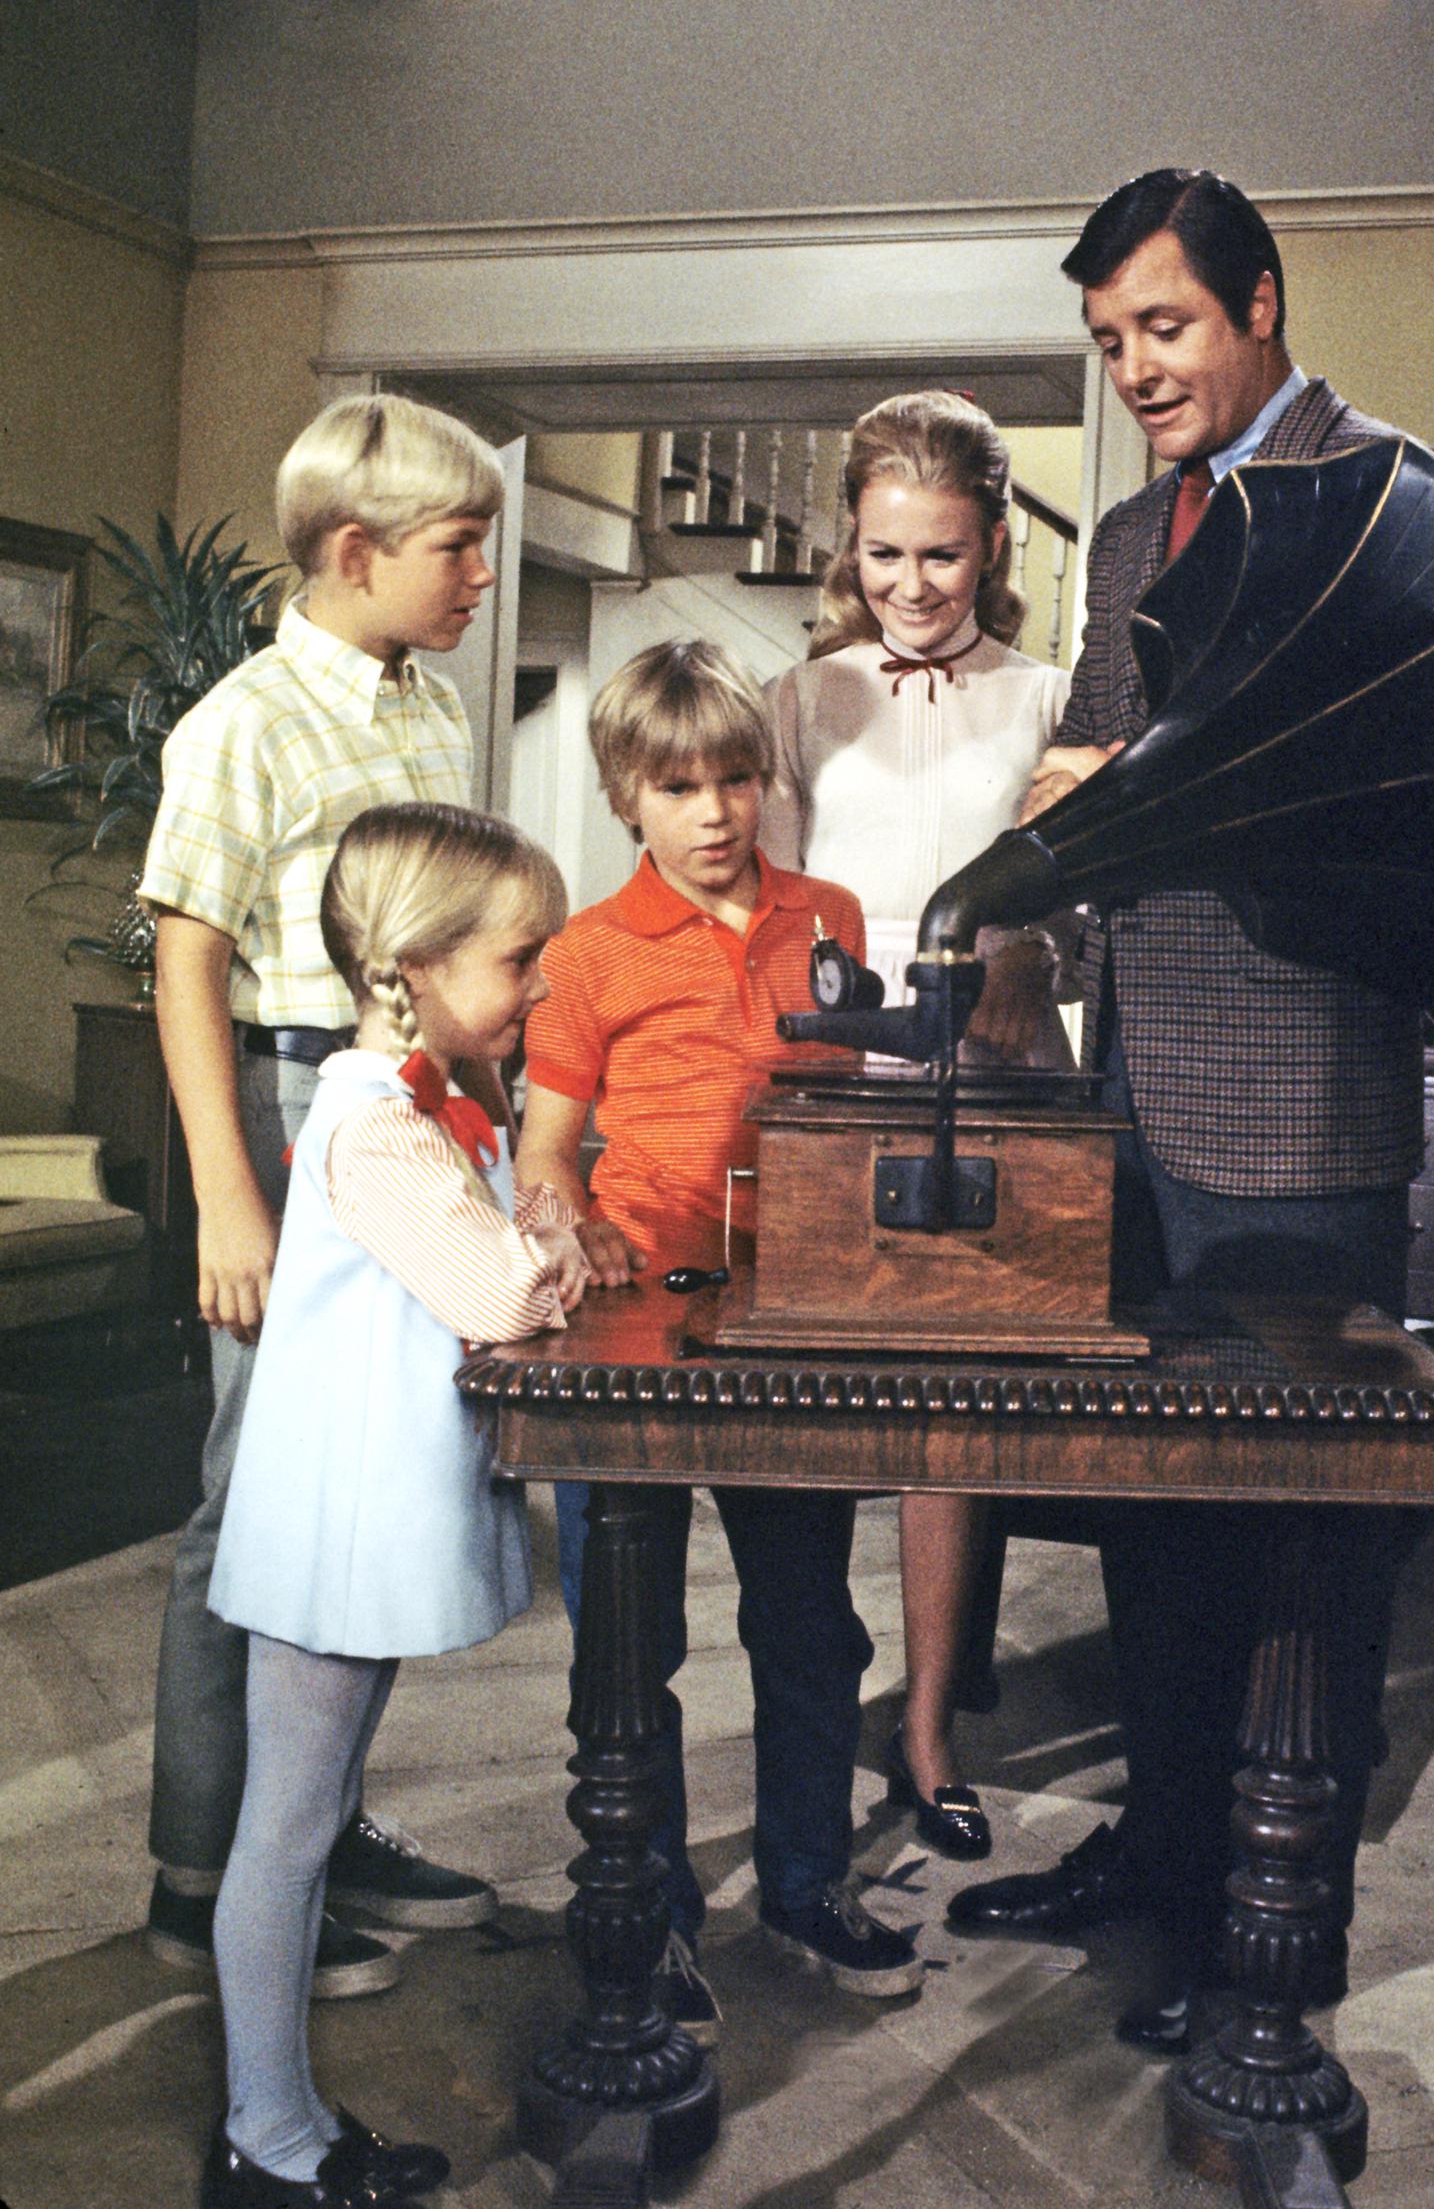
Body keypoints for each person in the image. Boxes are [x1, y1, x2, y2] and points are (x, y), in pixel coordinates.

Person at [947, 168, 1426, 2048]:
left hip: (1304, 1103)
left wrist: (1150, 773)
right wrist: (1012, 907)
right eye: (1109, 342)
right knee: (1151, 1517)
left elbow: (1404, 781)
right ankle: (1155, 1853)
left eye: (1163, 328)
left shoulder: (1392, 492)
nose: (1134, 369)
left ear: (1260, 305)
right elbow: (1084, 770)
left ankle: (1263, 1925)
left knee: (1301, 1535)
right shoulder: (1135, 530)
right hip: (1132, 1096)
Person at [139, 393, 507, 2000]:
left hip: (411, 1098)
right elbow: (184, 957)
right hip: (293, 1107)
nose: (481, 570)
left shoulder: (432, 713)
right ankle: (200, 1864)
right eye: (459, 544)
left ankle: (322, 1823)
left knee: (363, 1485)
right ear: (354, 552)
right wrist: (232, 1197)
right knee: (254, 1499)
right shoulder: (243, 721)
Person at [515, 637, 924, 2039]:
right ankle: (653, 1913)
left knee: (809, 1622)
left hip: (795, 1320)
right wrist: (581, 1229)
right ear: (627, 794)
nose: (715, 811)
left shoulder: (830, 915)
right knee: (629, 1641)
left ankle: (807, 1880)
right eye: (681, 785)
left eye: (738, 778)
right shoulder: (584, 952)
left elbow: (853, 1113)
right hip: (635, 1326)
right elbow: (546, 1149)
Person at [201, 802, 586, 2208]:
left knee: (304, 1823)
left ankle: (277, 2120)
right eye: (522, 955)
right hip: (329, 1530)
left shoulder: (436, 1109)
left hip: (354, 1514)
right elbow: (500, 1289)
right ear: (416, 967)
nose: (542, 981)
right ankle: (267, 2142)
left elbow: (518, 1252)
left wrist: (531, 1241)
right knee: (288, 1835)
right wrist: (534, 1251)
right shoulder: (376, 1127)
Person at [760, 389, 1073, 1860]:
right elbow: (759, 908)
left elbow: (1085, 895)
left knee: (961, 1420)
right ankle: (811, 1725)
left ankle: (933, 1724)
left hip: (1001, 1077)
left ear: (995, 539)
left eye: (942, 556)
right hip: (839, 1073)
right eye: (885, 555)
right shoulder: (800, 697)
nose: (911, 585)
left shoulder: (1051, 697)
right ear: (851, 546)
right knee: (822, 1411)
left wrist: (1032, 954)